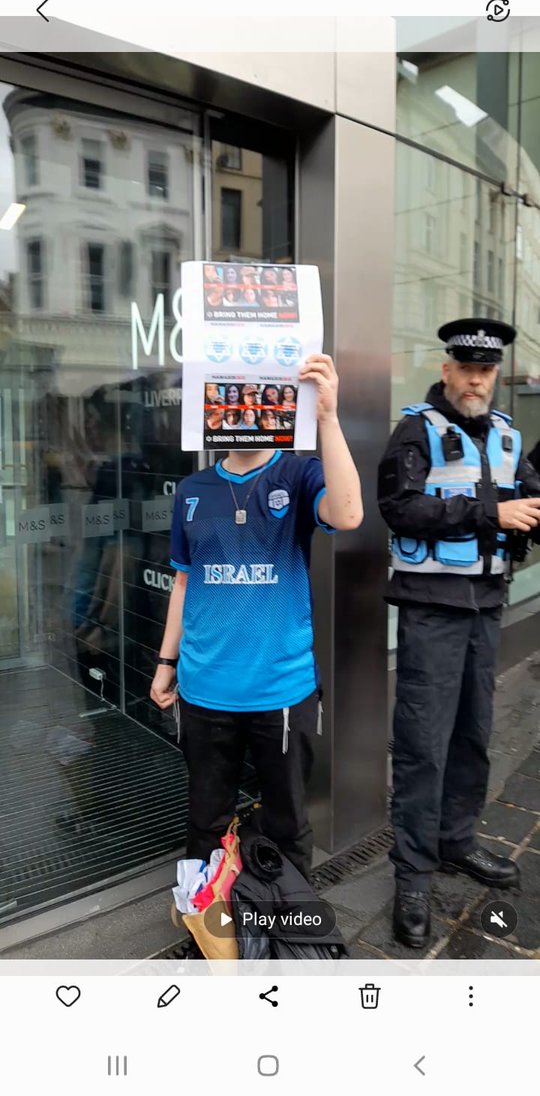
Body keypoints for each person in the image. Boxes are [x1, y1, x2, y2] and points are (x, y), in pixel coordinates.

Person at [150, 354, 363, 880]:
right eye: (229, 395)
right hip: (204, 691)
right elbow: (184, 582)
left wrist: (329, 420)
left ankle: (290, 927)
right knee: (205, 823)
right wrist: (165, 663)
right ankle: (210, 926)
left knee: (288, 824)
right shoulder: (193, 490)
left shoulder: (299, 472)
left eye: (255, 395)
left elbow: (350, 514)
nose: (242, 407)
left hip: (282, 694)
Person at [377, 318, 540, 949]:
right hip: (432, 606)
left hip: (487, 603)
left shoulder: (505, 434)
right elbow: (399, 507)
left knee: (473, 732)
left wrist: (526, 517)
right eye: (466, 369)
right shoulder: (416, 429)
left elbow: (528, 499)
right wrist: (489, 512)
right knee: (423, 742)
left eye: (487, 370)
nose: (477, 380)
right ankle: (413, 873)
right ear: (447, 370)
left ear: (496, 374)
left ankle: (456, 841)